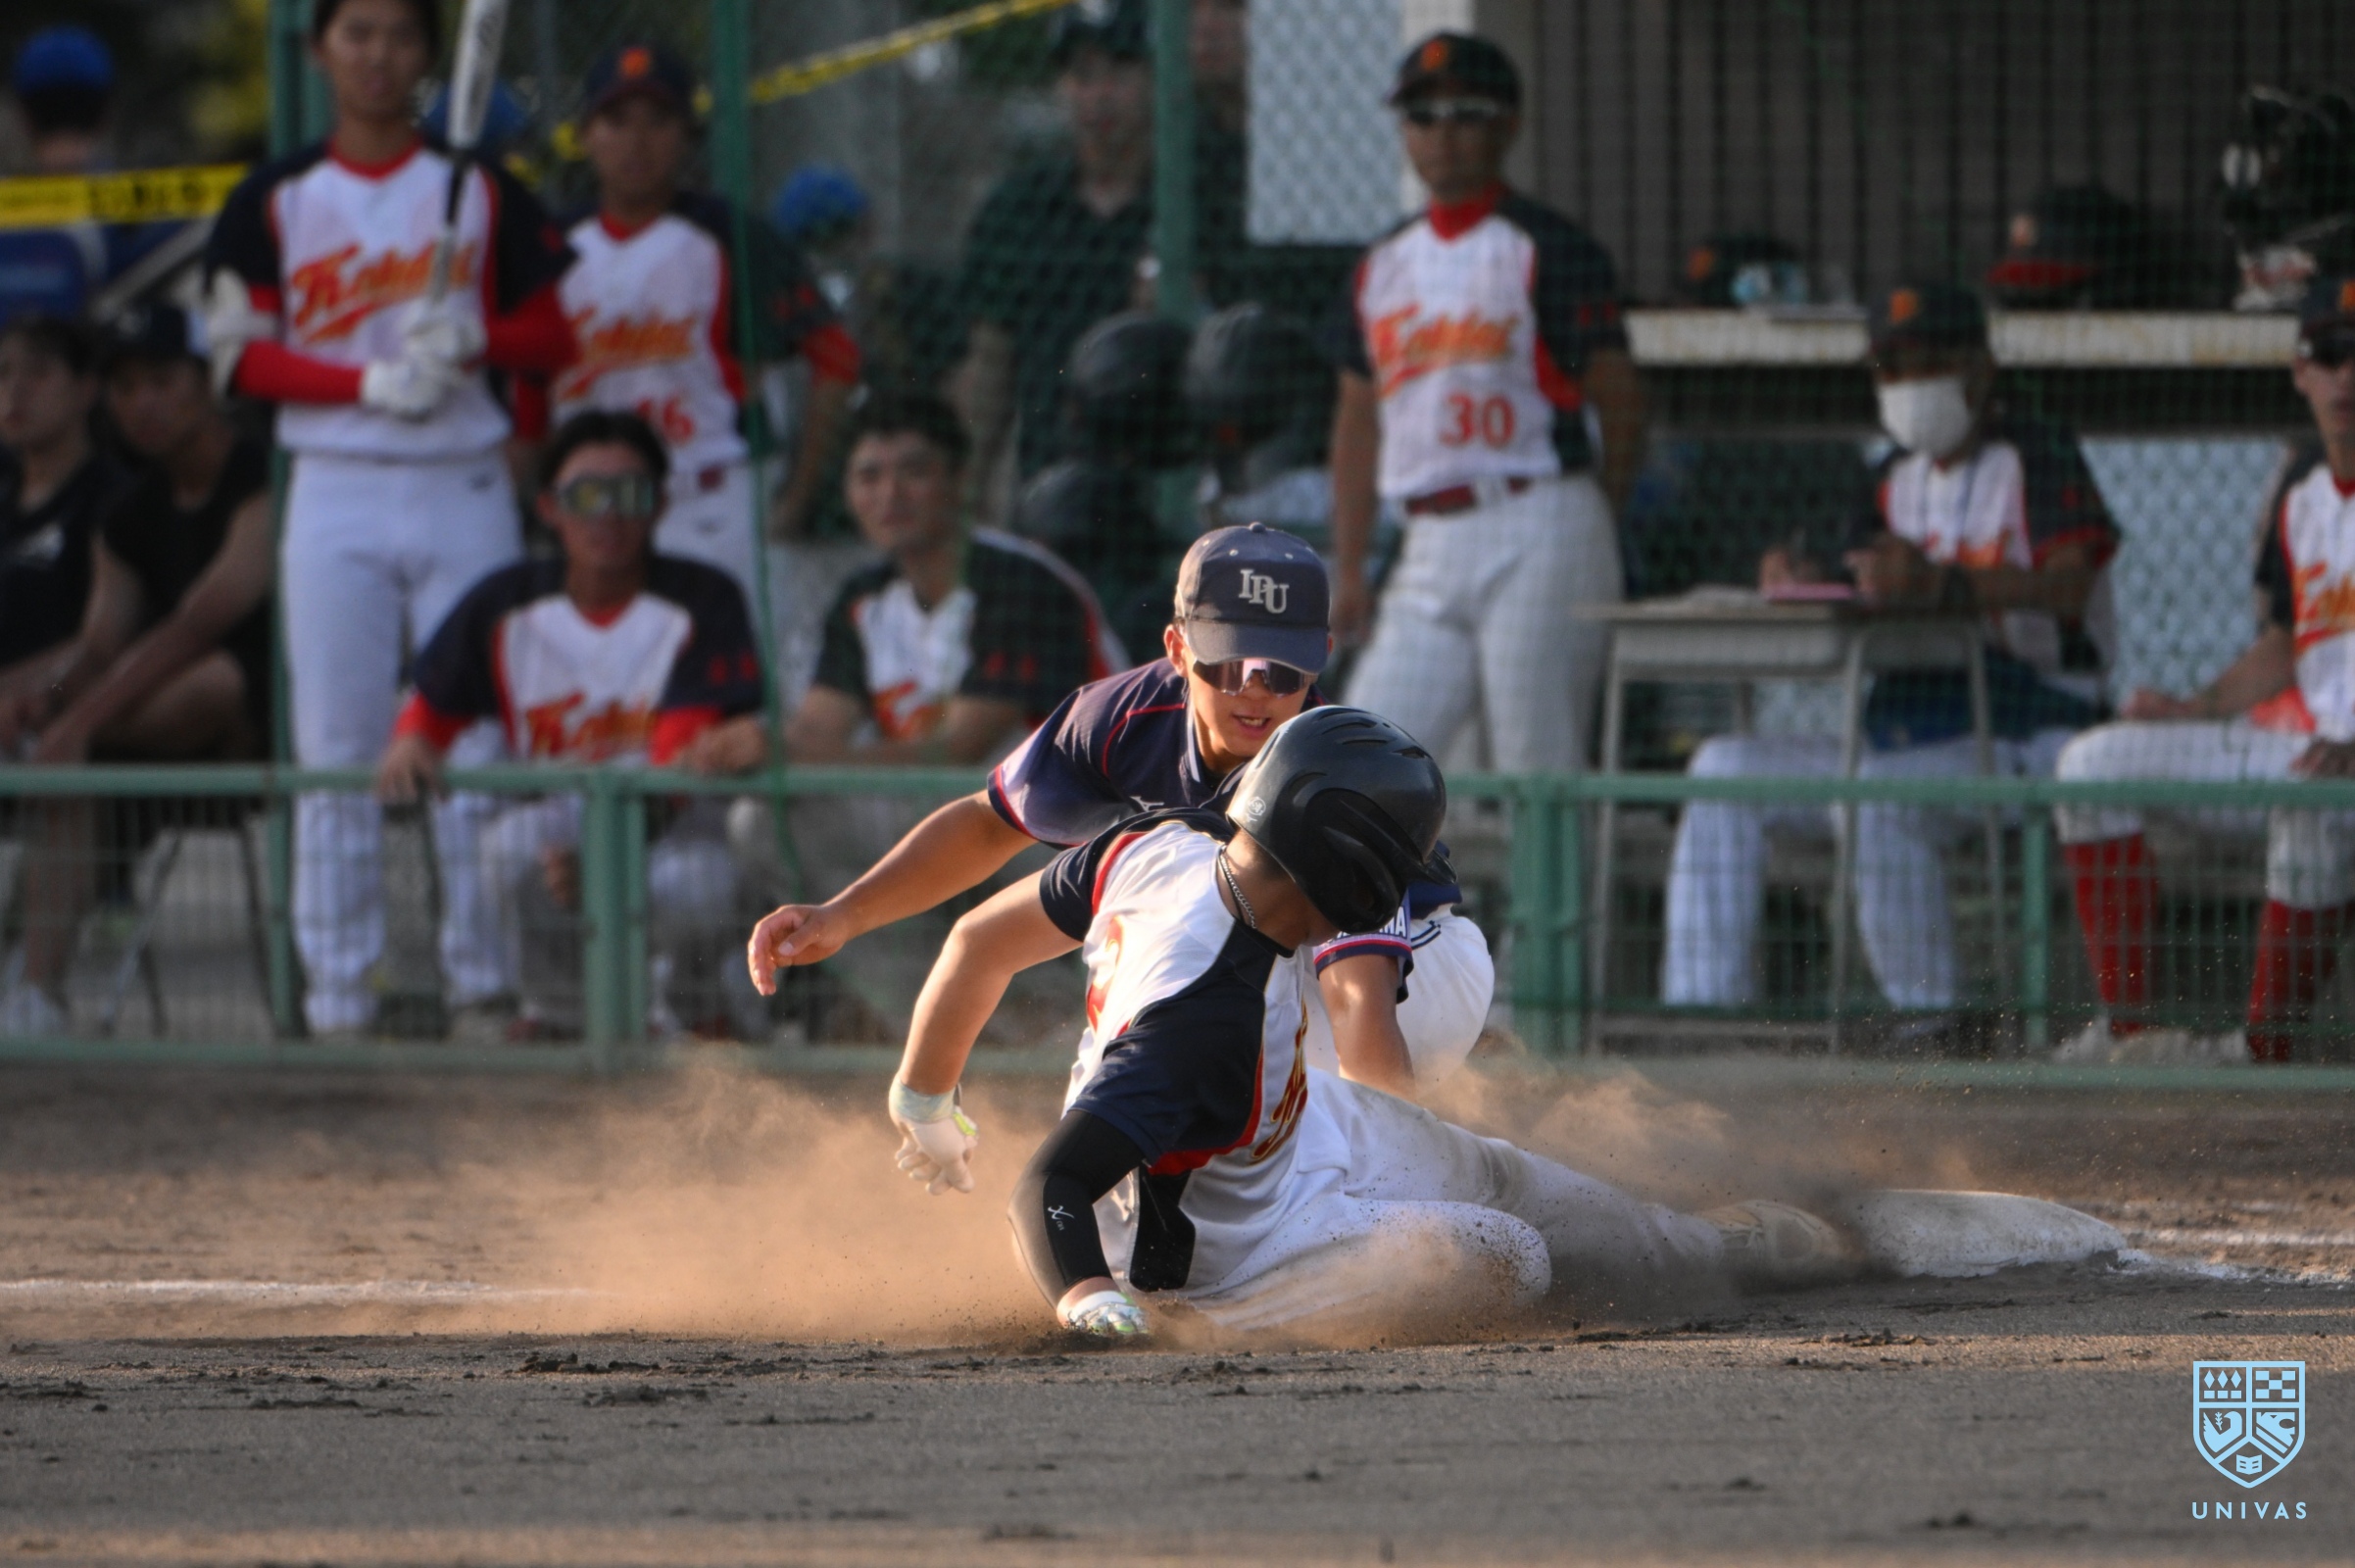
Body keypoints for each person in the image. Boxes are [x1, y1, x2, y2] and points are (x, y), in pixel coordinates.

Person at [882, 707, 2120, 1340]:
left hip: (1301, 1134)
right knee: (1500, 1257)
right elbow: (1051, 1182)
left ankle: (1701, 1246)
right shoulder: (1199, 1020)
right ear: (1347, 868)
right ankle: (1194, 1334)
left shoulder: (1157, 844)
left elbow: (975, 937)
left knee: (1518, 1182)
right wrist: (1086, 1298)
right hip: (1230, 1248)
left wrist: (922, 1101)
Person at [748, 522, 1496, 1093]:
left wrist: (1388, 1161)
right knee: (1169, 922)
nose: (1254, 689)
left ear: (1321, 656)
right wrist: (842, 915)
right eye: (1227, 661)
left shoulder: (1327, 775)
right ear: (1176, 648)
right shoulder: (1122, 719)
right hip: (1285, 957)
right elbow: (985, 825)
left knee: (1197, 953)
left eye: (1281, 668)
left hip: (1420, 968)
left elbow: (1361, 997)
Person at [202, 0, 577, 1038]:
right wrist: (365, 381)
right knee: (336, 737)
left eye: (401, 34)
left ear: (426, 52)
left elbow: (556, 335)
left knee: (476, 733)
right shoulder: (274, 195)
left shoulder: (480, 189)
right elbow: (239, 356)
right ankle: (338, 995)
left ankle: (482, 984)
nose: (378, 54)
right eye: (356, 32)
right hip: (333, 480)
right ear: (318, 48)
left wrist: (476, 337)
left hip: (462, 480)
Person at [1661, 282, 2118, 1029]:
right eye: (1890, 367)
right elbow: (1845, 577)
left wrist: (1945, 584)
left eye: (1926, 363)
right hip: (1904, 729)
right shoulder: (1889, 478)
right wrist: (1796, 574)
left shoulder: (2035, 455)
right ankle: (1702, 1009)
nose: (1907, 383)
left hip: (2032, 727)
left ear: (1977, 368)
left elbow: (2071, 586)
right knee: (1722, 767)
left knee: (1878, 793)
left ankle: (1933, 1020)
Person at [702, 391, 1121, 1040]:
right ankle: (937, 1018)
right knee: (763, 816)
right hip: (954, 807)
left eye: (913, 471)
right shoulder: (863, 596)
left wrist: (783, 749)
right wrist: (745, 744)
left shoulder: (1020, 579)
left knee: (1007, 771)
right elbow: (815, 733)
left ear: (960, 482)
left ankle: (1067, 1018)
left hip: (1089, 815)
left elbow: (963, 747)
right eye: (868, 476)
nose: (889, 494)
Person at [377, 410, 762, 1040]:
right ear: (550, 507)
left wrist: (604, 860)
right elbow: (434, 705)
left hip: (677, 818)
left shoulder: (703, 596)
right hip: (564, 812)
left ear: (661, 505)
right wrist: (411, 740)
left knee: (704, 885)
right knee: (511, 848)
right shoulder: (507, 599)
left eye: (629, 494)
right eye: (586, 496)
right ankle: (561, 1015)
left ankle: (696, 1010)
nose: (606, 514)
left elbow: (677, 762)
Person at [2051, 274, 2355, 1063]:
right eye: (2329, 354)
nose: (2346, 376)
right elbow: (2286, 643)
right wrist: (2193, 709)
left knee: (2309, 806)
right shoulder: (2302, 494)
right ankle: (2129, 1038)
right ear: (2299, 370)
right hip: (2310, 745)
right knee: (2090, 766)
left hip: (2339, 770)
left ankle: (2262, 1053)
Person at [1328, 31, 1646, 775]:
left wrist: (1589, 512)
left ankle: (1555, 871)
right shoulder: (1379, 264)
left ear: (1509, 125)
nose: (1442, 134)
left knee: (1536, 762)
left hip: (1537, 514)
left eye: (1465, 113)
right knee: (1355, 765)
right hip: (1427, 538)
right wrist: (1350, 566)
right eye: (1422, 115)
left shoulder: (1548, 248)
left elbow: (1622, 401)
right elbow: (1357, 420)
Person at [0, 305, 276, 1036]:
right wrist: (40, 699)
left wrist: (75, 720)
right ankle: (35, 991)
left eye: (161, 381)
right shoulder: (129, 510)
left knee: (209, 679)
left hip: (257, 721)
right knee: (66, 761)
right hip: (140, 728)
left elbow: (201, 620)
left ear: (207, 382)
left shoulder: (262, 472)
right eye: (125, 387)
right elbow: (95, 647)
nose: (141, 404)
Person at [552, 42, 859, 595]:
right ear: (585, 135)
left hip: (712, 498)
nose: (637, 141)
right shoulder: (548, 245)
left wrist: (797, 497)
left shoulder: (732, 237)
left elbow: (836, 357)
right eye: (616, 121)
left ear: (688, 135)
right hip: (589, 502)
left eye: (659, 120)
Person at [0, 315, 123, 712]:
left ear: (86, 390)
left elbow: (101, 648)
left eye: (38, 373)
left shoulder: (112, 499)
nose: (14, 391)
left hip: (57, 714)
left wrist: (35, 695)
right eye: (3, 373)